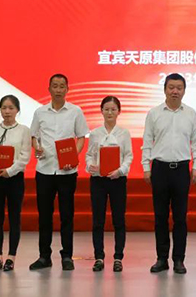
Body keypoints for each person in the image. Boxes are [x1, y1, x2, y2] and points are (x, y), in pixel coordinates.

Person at [142, 73, 196, 274]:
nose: (175, 91)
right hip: (159, 169)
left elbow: (195, 142)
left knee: (180, 218)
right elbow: (147, 141)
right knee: (160, 216)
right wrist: (146, 167)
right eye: (171, 87)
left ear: (184, 91)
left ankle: (179, 259)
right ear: (165, 90)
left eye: (179, 88)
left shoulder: (190, 113)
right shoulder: (154, 113)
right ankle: (161, 259)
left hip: (181, 170)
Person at [29, 74, 90, 271]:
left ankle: (67, 256)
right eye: (55, 86)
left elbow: (81, 137)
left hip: (67, 172)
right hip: (45, 170)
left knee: (67, 215)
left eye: (62, 86)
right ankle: (44, 256)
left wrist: (73, 156)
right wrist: (37, 147)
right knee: (44, 216)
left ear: (67, 89)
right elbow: (33, 136)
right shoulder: (40, 112)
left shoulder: (75, 111)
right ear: (49, 89)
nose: (58, 89)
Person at [85, 96, 133, 272]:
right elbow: (89, 155)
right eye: (106, 109)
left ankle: (118, 257)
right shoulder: (95, 133)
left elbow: (128, 156)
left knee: (118, 220)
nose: (110, 112)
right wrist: (90, 166)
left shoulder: (124, 133)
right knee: (98, 220)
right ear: (101, 111)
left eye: (113, 109)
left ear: (119, 111)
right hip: (98, 180)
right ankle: (99, 257)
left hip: (117, 180)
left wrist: (120, 170)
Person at [0, 95, 31, 272]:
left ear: (17, 110)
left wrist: (10, 171)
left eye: (11, 108)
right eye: (4, 108)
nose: (7, 111)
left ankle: (11, 257)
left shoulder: (24, 130)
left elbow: (24, 156)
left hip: (15, 179)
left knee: (14, 217)